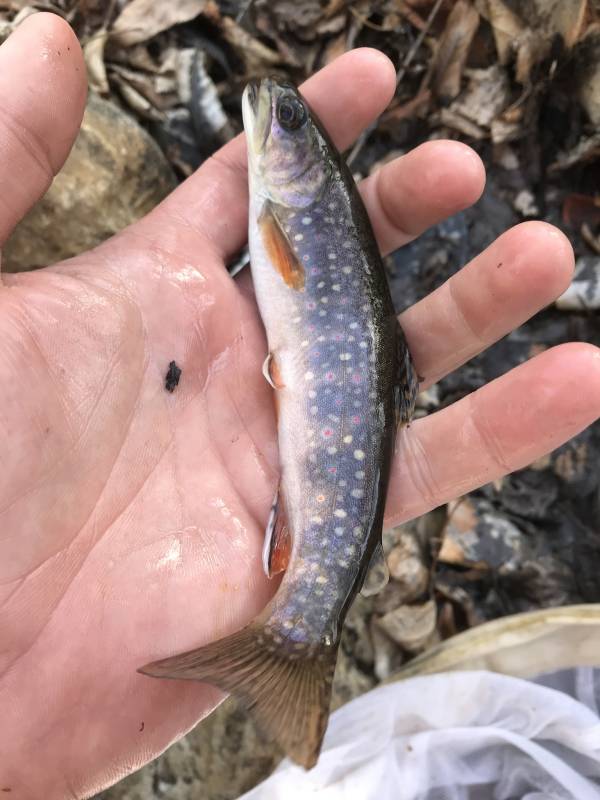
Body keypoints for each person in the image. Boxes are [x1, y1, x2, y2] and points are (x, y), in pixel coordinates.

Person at [0, 12, 598, 799]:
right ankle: (296, 634)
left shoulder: (289, 211)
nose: (271, 109)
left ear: (304, 167)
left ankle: (294, 635)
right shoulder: (288, 207)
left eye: (285, 120)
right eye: (286, 116)